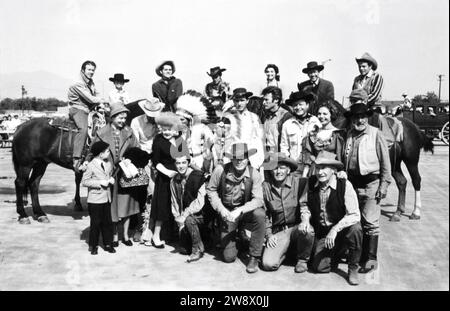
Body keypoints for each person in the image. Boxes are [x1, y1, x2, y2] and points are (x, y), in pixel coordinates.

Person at [299, 151, 363, 285]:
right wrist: (305, 219)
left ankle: (353, 267)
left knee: (356, 229)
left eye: (324, 168)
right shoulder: (311, 183)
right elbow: (304, 204)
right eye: (317, 168)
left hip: (341, 230)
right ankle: (336, 253)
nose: (320, 172)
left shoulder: (344, 185)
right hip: (323, 232)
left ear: (333, 170)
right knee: (319, 267)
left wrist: (335, 229)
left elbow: (354, 214)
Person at [342, 101, 392, 274]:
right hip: (352, 184)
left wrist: (384, 184)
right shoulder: (349, 134)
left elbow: (386, 162)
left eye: (363, 117)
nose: (360, 120)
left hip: (371, 183)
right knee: (356, 220)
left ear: (367, 118)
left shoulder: (376, 134)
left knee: (370, 221)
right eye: (356, 117)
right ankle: (356, 254)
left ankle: (370, 258)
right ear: (352, 119)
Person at [206, 142, 266, 273]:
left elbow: (259, 199)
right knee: (228, 257)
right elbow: (211, 190)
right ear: (231, 159)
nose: (239, 161)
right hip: (227, 212)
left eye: (243, 158)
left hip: (244, 211)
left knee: (260, 214)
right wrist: (221, 209)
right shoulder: (220, 170)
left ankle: (254, 256)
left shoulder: (254, 173)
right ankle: (240, 238)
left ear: (247, 158)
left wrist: (240, 210)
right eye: (236, 158)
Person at [90, 103, 140, 248]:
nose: (122, 120)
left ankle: (125, 235)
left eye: (124, 118)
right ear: (112, 117)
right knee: (112, 207)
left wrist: (131, 158)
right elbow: (93, 151)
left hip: (125, 175)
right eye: (119, 117)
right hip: (108, 174)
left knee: (127, 205)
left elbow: (137, 150)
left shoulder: (129, 132)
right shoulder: (102, 133)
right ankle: (114, 235)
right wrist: (88, 162)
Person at [261, 152, 313, 273]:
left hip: (296, 229)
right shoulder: (265, 187)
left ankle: (302, 260)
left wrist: (305, 220)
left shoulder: (299, 183)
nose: (278, 171)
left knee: (308, 230)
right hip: (278, 231)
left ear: (288, 170)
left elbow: (304, 206)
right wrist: (269, 235)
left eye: (282, 168)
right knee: (268, 264)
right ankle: (286, 252)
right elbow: (265, 214)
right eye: (274, 168)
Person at [149, 112, 184, 248]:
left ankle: (175, 235)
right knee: (162, 206)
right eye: (164, 129)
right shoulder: (158, 140)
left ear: (175, 128)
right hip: (164, 178)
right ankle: (156, 235)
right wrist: (167, 172)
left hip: (179, 175)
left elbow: (185, 156)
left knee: (176, 205)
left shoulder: (180, 139)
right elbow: (156, 161)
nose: (167, 132)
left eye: (169, 129)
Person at [170, 149, 207, 262]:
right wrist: (179, 222)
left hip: (200, 216)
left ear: (188, 163)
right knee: (183, 250)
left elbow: (200, 203)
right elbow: (174, 202)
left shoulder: (198, 176)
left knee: (190, 219)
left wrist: (185, 215)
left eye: (183, 163)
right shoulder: (174, 180)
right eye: (178, 163)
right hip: (184, 219)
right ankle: (192, 238)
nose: (181, 166)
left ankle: (198, 249)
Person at [68, 60, 105, 172]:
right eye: (89, 69)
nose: (91, 72)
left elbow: (97, 94)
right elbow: (90, 98)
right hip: (78, 109)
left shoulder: (90, 82)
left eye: (93, 70)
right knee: (83, 129)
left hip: (88, 109)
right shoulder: (78, 83)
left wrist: (101, 103)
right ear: (83, 70)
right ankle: (76, 158)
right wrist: (104, 101)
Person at [81, 141, 116, 255]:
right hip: (95, 200)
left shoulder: (108, 164)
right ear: (100, 154)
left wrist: (111, 180)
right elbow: (85, 182)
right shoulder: (90, 165)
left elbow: (109, 175)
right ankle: (93, 245)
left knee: (107, 222)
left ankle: (108, 244)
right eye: (106, 151)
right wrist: (100, 182)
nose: (108, 153)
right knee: (95, 223)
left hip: (107, 198)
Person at [280, 91, 321, 176]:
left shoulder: (315, 121)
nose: (298, 107)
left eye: (301, 104)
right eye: (295, 105)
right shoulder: (287, 124)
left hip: (312, 166)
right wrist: (288, 165)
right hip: (294, 167)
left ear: (307, 105)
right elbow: (284, 147)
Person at [225, 88, 265, 170]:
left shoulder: (254, 118)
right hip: (234, 160)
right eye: (236, 101)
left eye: (242, 100)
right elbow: (226, 141)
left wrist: (257, 162)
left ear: (247, 101)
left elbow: (259, 140)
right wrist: (227, 161)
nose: (239, 103)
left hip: (251, 159)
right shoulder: (229, 118)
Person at [302, 101, 345, 177]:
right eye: (319, 114)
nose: (321, 116)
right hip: (315, 171)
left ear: (331, 114)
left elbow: (340, 158)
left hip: (331, 172)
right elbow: (308, 156)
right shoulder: (313, 134)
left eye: (325, 114)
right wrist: (304, 175)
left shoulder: (338, 134)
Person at [261, 86, 292, 153]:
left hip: (280, 157)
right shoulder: (265, 116)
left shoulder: (286, 116)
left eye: (266, 100)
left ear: (276, 100)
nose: (263, 103)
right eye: (263, 100)